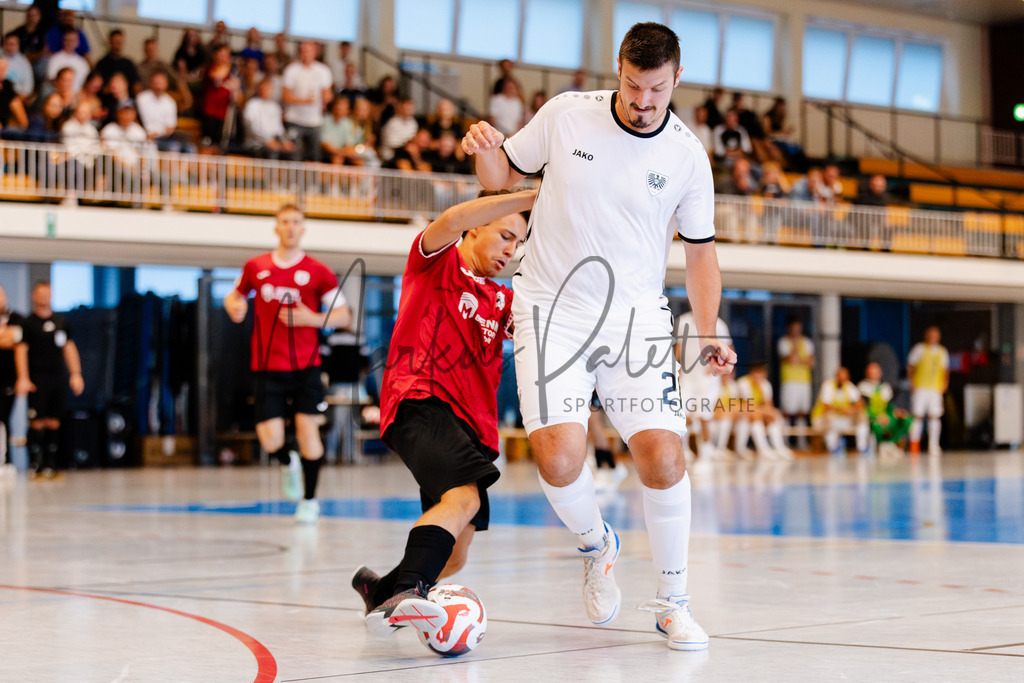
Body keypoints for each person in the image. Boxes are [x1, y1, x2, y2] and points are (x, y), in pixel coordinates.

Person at [462, 22, 736, 651]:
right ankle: (597, 545)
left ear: (677, 80)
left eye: (658, 90)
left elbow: (699, 254)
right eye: (635, 87)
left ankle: (673, 602)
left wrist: (707, 329)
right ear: (618, 70)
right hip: (549, 308)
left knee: (664, 460)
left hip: (635, 318)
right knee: (557, 457)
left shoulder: (688, 155)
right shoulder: (565, 116)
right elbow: (500, 176)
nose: (644, 102)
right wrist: (484, 146)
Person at [351, 189, 533, 637]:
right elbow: (452, 217)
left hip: (471, 426)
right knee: (464, 498)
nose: (511, 250)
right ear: (476, 226)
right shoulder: (436, 260)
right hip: (421, 398)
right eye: (505, 235)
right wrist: (536, 192)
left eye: (519, 243)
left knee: (456, 554)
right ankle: (406, 594)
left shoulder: (502, 299)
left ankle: (380, 590)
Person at [223, 205, 353, 524]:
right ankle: (286, 460)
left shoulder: (319, 271)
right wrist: (234, 307)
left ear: (303, 229)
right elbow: (234, 296)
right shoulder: (257, 266)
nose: (291, 227)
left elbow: (344, 315)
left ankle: (309, 501)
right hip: (267, 365)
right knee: (270, 438)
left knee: (308, 431)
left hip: (306, 365)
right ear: (276, 228)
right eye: (285, 222)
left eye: (296, 222)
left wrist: (312, 318)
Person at [14, 282, 84, 479]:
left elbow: (69, 347)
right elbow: (21, 350)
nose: (44, 297)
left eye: (48, 293)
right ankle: (36, 464)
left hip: (57, 378)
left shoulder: (60, 321)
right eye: (40, 294)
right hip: (37, 378)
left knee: (54, 421)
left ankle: (52, 465)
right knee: (37, 421)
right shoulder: (27, 323)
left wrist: (76, 373)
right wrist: (23, 377)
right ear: (33, 296)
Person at [675, 310, 733, 462]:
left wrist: (721, 369)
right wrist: (677, 370)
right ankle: (684, 451)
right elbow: (678, 349)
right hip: (687, 378)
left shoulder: (719, 324)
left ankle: (705, 457)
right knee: (681, 415)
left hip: (709, 378)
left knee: (704, 417)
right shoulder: (682, 321)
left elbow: (728, 349)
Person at [281, 41, 333, 162]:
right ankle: (293, 180)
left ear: (315, 52)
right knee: (294, 155)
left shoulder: (323, 71)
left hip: (315, 121)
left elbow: (327, 95)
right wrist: (303, 100)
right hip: (294, 119)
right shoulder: (292, 70)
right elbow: (285, 96)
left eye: (309, 50)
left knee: (315, 156)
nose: (306, 53)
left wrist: (326, 99)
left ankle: (313, 181)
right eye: (303, 50)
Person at [734, 363, 793, 460]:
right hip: (743, 414)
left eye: (761, 373)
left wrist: (767, 412)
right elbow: (748, 406)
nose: (759, 376)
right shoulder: (743, 383)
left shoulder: (765, 384)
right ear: (751, 373)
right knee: (756, 418)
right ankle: (763, 449)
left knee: (772, 418)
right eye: (757, 373)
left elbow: (768, 405)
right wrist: (765, 411)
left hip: (757, 413)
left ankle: (779, 447)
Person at [906, 325, 949, 456]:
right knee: (917, 416)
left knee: (934, 416)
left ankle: (934, 445)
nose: (932, 338)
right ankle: (914, 444)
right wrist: (912, 383)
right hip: (921, 387)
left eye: (935, 335)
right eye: (930, 335)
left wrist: (944, 383)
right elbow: (910, 366)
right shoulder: (919, 349)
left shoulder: (942, 351)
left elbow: (945, 369)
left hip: (935, 388)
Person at [858, 361, 912, 458]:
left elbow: (889, 406)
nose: (874, 374)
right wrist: (877, 416)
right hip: (871, 416)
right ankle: (881, 445)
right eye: (871, 372)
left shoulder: (885, 387)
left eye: (876, 371)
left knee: (906, 419)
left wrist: (896, 412)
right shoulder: (863, 387)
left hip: (885, 415)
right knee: (876, 425)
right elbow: (863, 406)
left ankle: (890, 443)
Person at [810, 366, 868, 455]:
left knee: (862, 416)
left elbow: (860, 403)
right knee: (831, 417)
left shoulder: (848, 386)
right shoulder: (828, 385)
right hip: (821, 420)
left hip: (841, 420)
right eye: (840, 376)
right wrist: (843, 410)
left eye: (844, 377)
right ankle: (832, 447)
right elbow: (826, 406)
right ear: (836, 376)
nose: (842, 379)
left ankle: (862, 448)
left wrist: (853, 409)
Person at [137, 70, 196, 153]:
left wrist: (159, 133)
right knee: (174, 147)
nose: (158, 85)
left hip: (165, 136)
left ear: (166, 84)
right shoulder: (142, 98)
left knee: (190, 148)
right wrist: (152, 134)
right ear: (151, 83)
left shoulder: (170, 102)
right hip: (147, 136)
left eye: (161, 82)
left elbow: (170, 127)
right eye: (156, 82)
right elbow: (143, 121)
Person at [777, 316, 814, 447]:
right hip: (789, 381)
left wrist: (800, 360)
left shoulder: (807, 342)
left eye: (798, 328)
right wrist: (796, 348)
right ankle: (784, 442)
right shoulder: (784, 342)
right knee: (787, 412)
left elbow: (810, 362)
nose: (796, 331)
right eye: (793, 328)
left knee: (802, 413)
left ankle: (801, 442)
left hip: (804, 382)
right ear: (788, 328)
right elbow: (790, 359)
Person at [0, 285, 24, 476]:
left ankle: (6, 461)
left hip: (8, 378)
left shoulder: (16, 318)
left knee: (4, 418)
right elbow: (7, 339)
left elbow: (15, 338)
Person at [243, 78, 296, 160]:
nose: (267, 91)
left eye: (269, 89)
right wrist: (267, 141)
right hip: (257, 142)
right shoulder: (252, 104)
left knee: (293, 152)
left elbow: (279, 128)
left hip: (274, 141)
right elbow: (251, 127)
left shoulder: (275, 106)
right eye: (264, 89)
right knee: (272, 152)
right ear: (259, 90)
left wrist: (285, 141)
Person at [46, 27, 89, 94]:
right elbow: (52, 80)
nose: (70, 43)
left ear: (77, 42)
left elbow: (85, 84)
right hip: (57, 94)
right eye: (67, 40)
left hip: (76, 96)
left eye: (73, 40)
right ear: (63, 41)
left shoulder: (82, 63)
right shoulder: (54, 59)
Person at [0, 55, 29, 132]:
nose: (2, 71)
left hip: (5, 130)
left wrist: (24, 125)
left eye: (4, 68)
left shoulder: (7, 85)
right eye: (0, 68)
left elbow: (16, 105)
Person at [3, 33, 35, 99]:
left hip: (19, 95)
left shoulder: (23, 61)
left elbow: (29, 81)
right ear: (4, 44)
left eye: (13, 44)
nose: (11, 46)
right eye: (8, 43)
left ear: (18, 45)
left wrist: (25, 93)